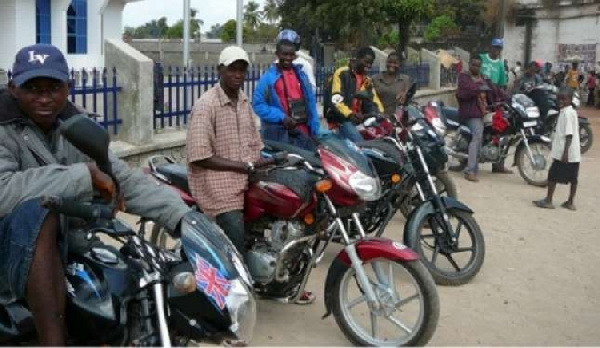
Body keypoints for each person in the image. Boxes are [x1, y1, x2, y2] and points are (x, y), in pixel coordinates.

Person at [0, 43, 192, 345]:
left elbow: (123, 178)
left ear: (69, 87)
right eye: (33, 88)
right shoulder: (2, 127)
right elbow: (4, 190)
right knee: (38, 212)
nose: (44, 98)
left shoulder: (75, 125)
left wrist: (183, 219)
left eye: (53, 87)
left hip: (69, 246)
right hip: (9, 254)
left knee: (130, 273)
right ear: (13, 88)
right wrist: (84, 176)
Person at [186, 46, 316, 305]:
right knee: (234, 229)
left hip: (247, 172)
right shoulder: (206, 105)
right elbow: (200, 156)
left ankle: (280, 280)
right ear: (219, 70)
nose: (237, 74)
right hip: (216, 178)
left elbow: (253, 141)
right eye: (231, 69)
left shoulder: (243, 101)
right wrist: (243, 166)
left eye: (241, 69)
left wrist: (268, 161)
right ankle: (237, 293)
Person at [252, 39, 320, 151]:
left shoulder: (301, 75)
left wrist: (315, 130)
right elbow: (258, 105)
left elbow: (311, 102)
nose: (288, 58)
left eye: (291, 54)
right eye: (285, 54)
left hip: (304, 133)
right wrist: (282, 117)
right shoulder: (268, 78)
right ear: (277, 54)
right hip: (281, 135)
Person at [534, 87, 580, 211]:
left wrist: (565, 153)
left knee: (552, 176)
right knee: (573, 178)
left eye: (563, 99)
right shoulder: (570, 111)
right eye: (559, 99)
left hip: (565, 153)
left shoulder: (567, 114)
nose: (560, 101)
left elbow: (569, 135)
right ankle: (570, 202)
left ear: (570, 100)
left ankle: (548, 200)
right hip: (574, 154)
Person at [325, 46, 384, 142]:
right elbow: (336, 100)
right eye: (366, 62)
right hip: (342, 119)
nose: (368, 66)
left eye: (370, 63)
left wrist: (380, 113)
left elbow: (374, 99)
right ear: (358, 59)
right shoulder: (342, 73)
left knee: (379, 139)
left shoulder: (367, 81)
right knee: (361, 144)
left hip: (359, 120)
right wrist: (350, 114)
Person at [456, 56, 500, 182]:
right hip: (470, 113)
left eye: (478, 65)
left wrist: (507, 98)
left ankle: (498, 165)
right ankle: (470, 170)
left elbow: (494, 90)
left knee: (498, 128)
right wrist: (479, 86)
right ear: (469, 64)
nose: (476, 67)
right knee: (477, 136)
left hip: (484, 111)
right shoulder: (464, 77)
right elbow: (465, 91)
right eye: (473, 64)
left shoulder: (483, 78)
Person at [372, 52, 410, 116]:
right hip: (378, 117)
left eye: (395, 63)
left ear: (400, 64)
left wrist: (405, 96)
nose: (392, 65)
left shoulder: (405, 80)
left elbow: (409, 100)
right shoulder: (375, 78)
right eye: (389, 62)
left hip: (397, 119)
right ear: (386, 62)